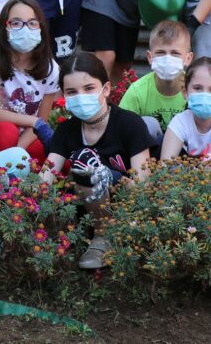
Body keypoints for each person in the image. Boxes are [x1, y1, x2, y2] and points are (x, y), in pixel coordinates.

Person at [43, 52, 152, 270]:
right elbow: (46, 175)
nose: (81, 96)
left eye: (89, 88)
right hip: (82, 207)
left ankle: (104, 237)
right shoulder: (67, 130)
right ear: (64, 95)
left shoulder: (130, 124)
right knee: (82, 167)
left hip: (124, 206)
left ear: (106, 89)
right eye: (72, 92)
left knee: (86, 162)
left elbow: (143, 181)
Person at [0, 0, 59, 160]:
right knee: (7, 132)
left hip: (29, 133)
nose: (25, 29)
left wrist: (18, 151)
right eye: (16, 23)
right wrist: (32, 121)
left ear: (41, 27)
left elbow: (43, 118)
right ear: (4, 27)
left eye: (32, 23)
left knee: (47, 153)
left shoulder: (51, 69)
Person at [118, 20, 193, 144]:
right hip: (149, 154)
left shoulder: (195, 88)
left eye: (175, 53)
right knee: (148, 124)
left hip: (186, 153)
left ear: (188, 58)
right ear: (150, 57)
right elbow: (121, 129)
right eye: (161, 53)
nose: (168, 59)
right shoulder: (138, 91)